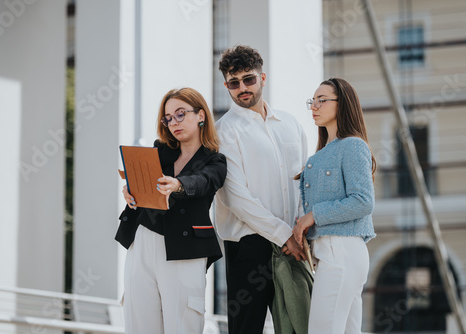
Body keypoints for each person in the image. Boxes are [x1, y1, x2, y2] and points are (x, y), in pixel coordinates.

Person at [115, 87, 227, 334]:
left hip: (184, 250)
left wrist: (179, 184)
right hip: (142, 242)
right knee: (139, 323)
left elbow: (205, 182)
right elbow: (141, 187)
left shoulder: (215, 161)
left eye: (180, 114)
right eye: (168, 118)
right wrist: (130, 192)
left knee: (182, 325)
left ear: (200, 115)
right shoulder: (158, 152)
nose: (173, 122)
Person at [214, 45, 309, 334]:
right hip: (249, 247)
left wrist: (300, 233)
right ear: (227, 86)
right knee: (247, 328)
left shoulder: (290, 124)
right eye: (234, 82)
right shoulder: (223, 131)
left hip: (295, 244)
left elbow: (306, 182)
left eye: (249, 79)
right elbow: (235, 197)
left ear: (263, 78)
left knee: (301, 326)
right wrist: (282, 235)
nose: (242, 88)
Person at [293, 77, 377, 334]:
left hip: (341, 249)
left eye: (322, 100)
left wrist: (312, 217)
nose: (314, 106)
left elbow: (363, 201)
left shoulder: (352, 145)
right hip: (331, 252)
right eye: (312, 101)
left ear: (343, 104)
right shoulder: (320, 154)